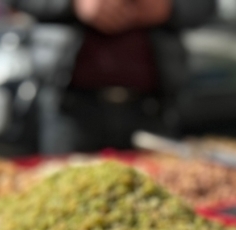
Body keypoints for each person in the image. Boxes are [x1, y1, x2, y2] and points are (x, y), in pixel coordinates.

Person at [12, 0, 216, 153]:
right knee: (64, 188)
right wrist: (74, 4)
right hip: (71, 106)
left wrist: (169, 7)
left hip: (152, 107)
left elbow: (206, 5)